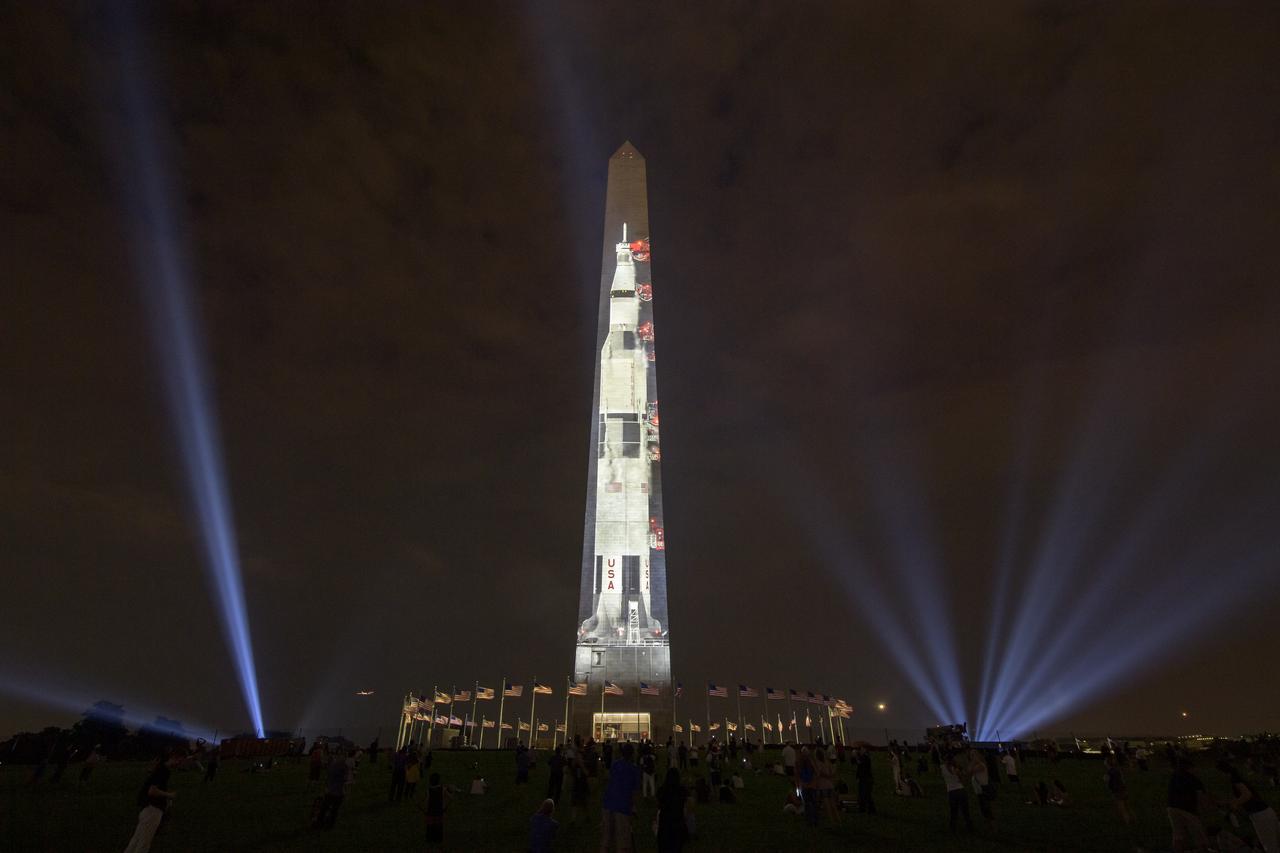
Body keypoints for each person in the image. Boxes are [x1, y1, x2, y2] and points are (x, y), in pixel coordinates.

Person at [123, 750, 182, 853]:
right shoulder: (164, 771)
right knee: (144, 844)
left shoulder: (160, 769)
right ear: (174, 757)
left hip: (148, 809)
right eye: (180, 760)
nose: (180, 763)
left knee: (136, 840)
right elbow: (152, 791)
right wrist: (169, 795)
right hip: (153, 811)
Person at [1219, 760, 1279, 853]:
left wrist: (1235, 804)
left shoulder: (1235, 780)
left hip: (1260, 815)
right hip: (1265, 812)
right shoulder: (1237, 780)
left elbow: (1247, 794)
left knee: (1270, 846)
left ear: (1223, 772)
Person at [600, 742, 642, 852]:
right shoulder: (634, 770)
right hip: (622, 807)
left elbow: (610, 779)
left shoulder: (615, 764)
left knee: (606, 840)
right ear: (632, 754)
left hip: (607, 803)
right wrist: (634, 807)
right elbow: (635, 792)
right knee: (623, 842)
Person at [1168, 758, 1209, 851]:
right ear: (1190, 768)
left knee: (1178, 834)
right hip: (1188, 809)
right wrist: (1203, 810)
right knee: (1199, 835)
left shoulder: (1175, 776)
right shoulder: (1194, 779)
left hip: (1171, 807)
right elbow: (1201, 796)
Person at [315, 750, 351, 829]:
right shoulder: (340, 766)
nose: (343, 758)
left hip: (336, 792)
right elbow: (346, 780)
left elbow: (346, 780)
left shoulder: (341, 766)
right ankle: (323, 824)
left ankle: (325, 824)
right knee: (326, 809)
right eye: (343, 755)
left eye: (344, 756)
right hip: (333, 792)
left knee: (331, 810)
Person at [656, 768, 689, 852]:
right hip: (677, 824)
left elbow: (659, 807)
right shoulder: (682, 791)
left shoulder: (662, 791)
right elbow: (685, 808)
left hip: (664, 824)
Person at [942, 754, 973, 833]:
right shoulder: (956, 769)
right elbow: (962, 778)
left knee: (953, 811)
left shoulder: (942, 768)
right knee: (965, 810)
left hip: (951, 792)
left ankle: (953, 827)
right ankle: (969, 826)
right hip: (960, 790)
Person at [969, 749, 995, 831]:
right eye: (971, 755)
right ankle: (990, 826)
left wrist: (973, 761)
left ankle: (993, 827)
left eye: (973, 755)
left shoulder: (980, 765)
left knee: (987, 809)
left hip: (984, 789)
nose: (972, 757)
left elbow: (969, 770)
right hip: (980, 791)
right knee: (984, 809)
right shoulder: (978, 765)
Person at [1105, 754, 1132, 824]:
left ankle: (1126, 821)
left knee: (1121, 808)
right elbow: (1122, 779)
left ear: (1107, 763)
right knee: (1127, 806)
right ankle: (1132, 819)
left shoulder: (1109, 772)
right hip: (1123, 789)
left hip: (1117, 791)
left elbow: (1107, 781)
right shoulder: (1118, 770)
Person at [796, 747, 819, 826]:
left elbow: (816, 773)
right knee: (809, 803)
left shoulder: (806, 763)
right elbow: (798, 775)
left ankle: (812, 820)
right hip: (807, 786)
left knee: (811, 803)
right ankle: (811, 820)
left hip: (808, 786)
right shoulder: (799, 763)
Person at [423, 772, 446, 844]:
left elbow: (427, 801)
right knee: (439, 825)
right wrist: (445, 807)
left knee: (430, 825)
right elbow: (451, 798)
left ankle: (430, 839)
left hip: (431, 810)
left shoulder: (429, 790)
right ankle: (438, 839)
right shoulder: (442, 789)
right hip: (439, 810)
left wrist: (425, 810)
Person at [856, 747, 877, 815]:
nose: (860, 750)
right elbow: (859, 768)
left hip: (866, 779)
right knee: (862, 794)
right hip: (863, 778)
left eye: (861, 749)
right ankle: (863, 808)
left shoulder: (865, 758)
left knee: (866, 794)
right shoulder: (863, 757)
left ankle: (870, 809)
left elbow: (862, 766)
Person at [570, 759, 590, 824]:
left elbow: (587, 773)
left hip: (583, 786)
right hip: (576, 786)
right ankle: (573, 820)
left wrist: (581, 765)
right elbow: (571, 773)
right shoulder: (575, 766)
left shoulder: (585, 764)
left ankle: (586, 816)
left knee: (584, 803)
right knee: (574, 803)